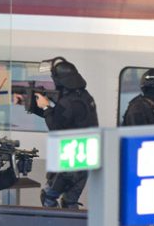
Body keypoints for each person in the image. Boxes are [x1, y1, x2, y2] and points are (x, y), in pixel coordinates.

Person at [23, 57, 98, 208]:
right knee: (69, 201)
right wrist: (39, 107)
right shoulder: (84, 96)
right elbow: (63, 117)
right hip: (87, 157)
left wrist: (45, 107)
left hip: (71, 159)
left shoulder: (68, 102)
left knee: (48, 197)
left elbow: (56, 127)